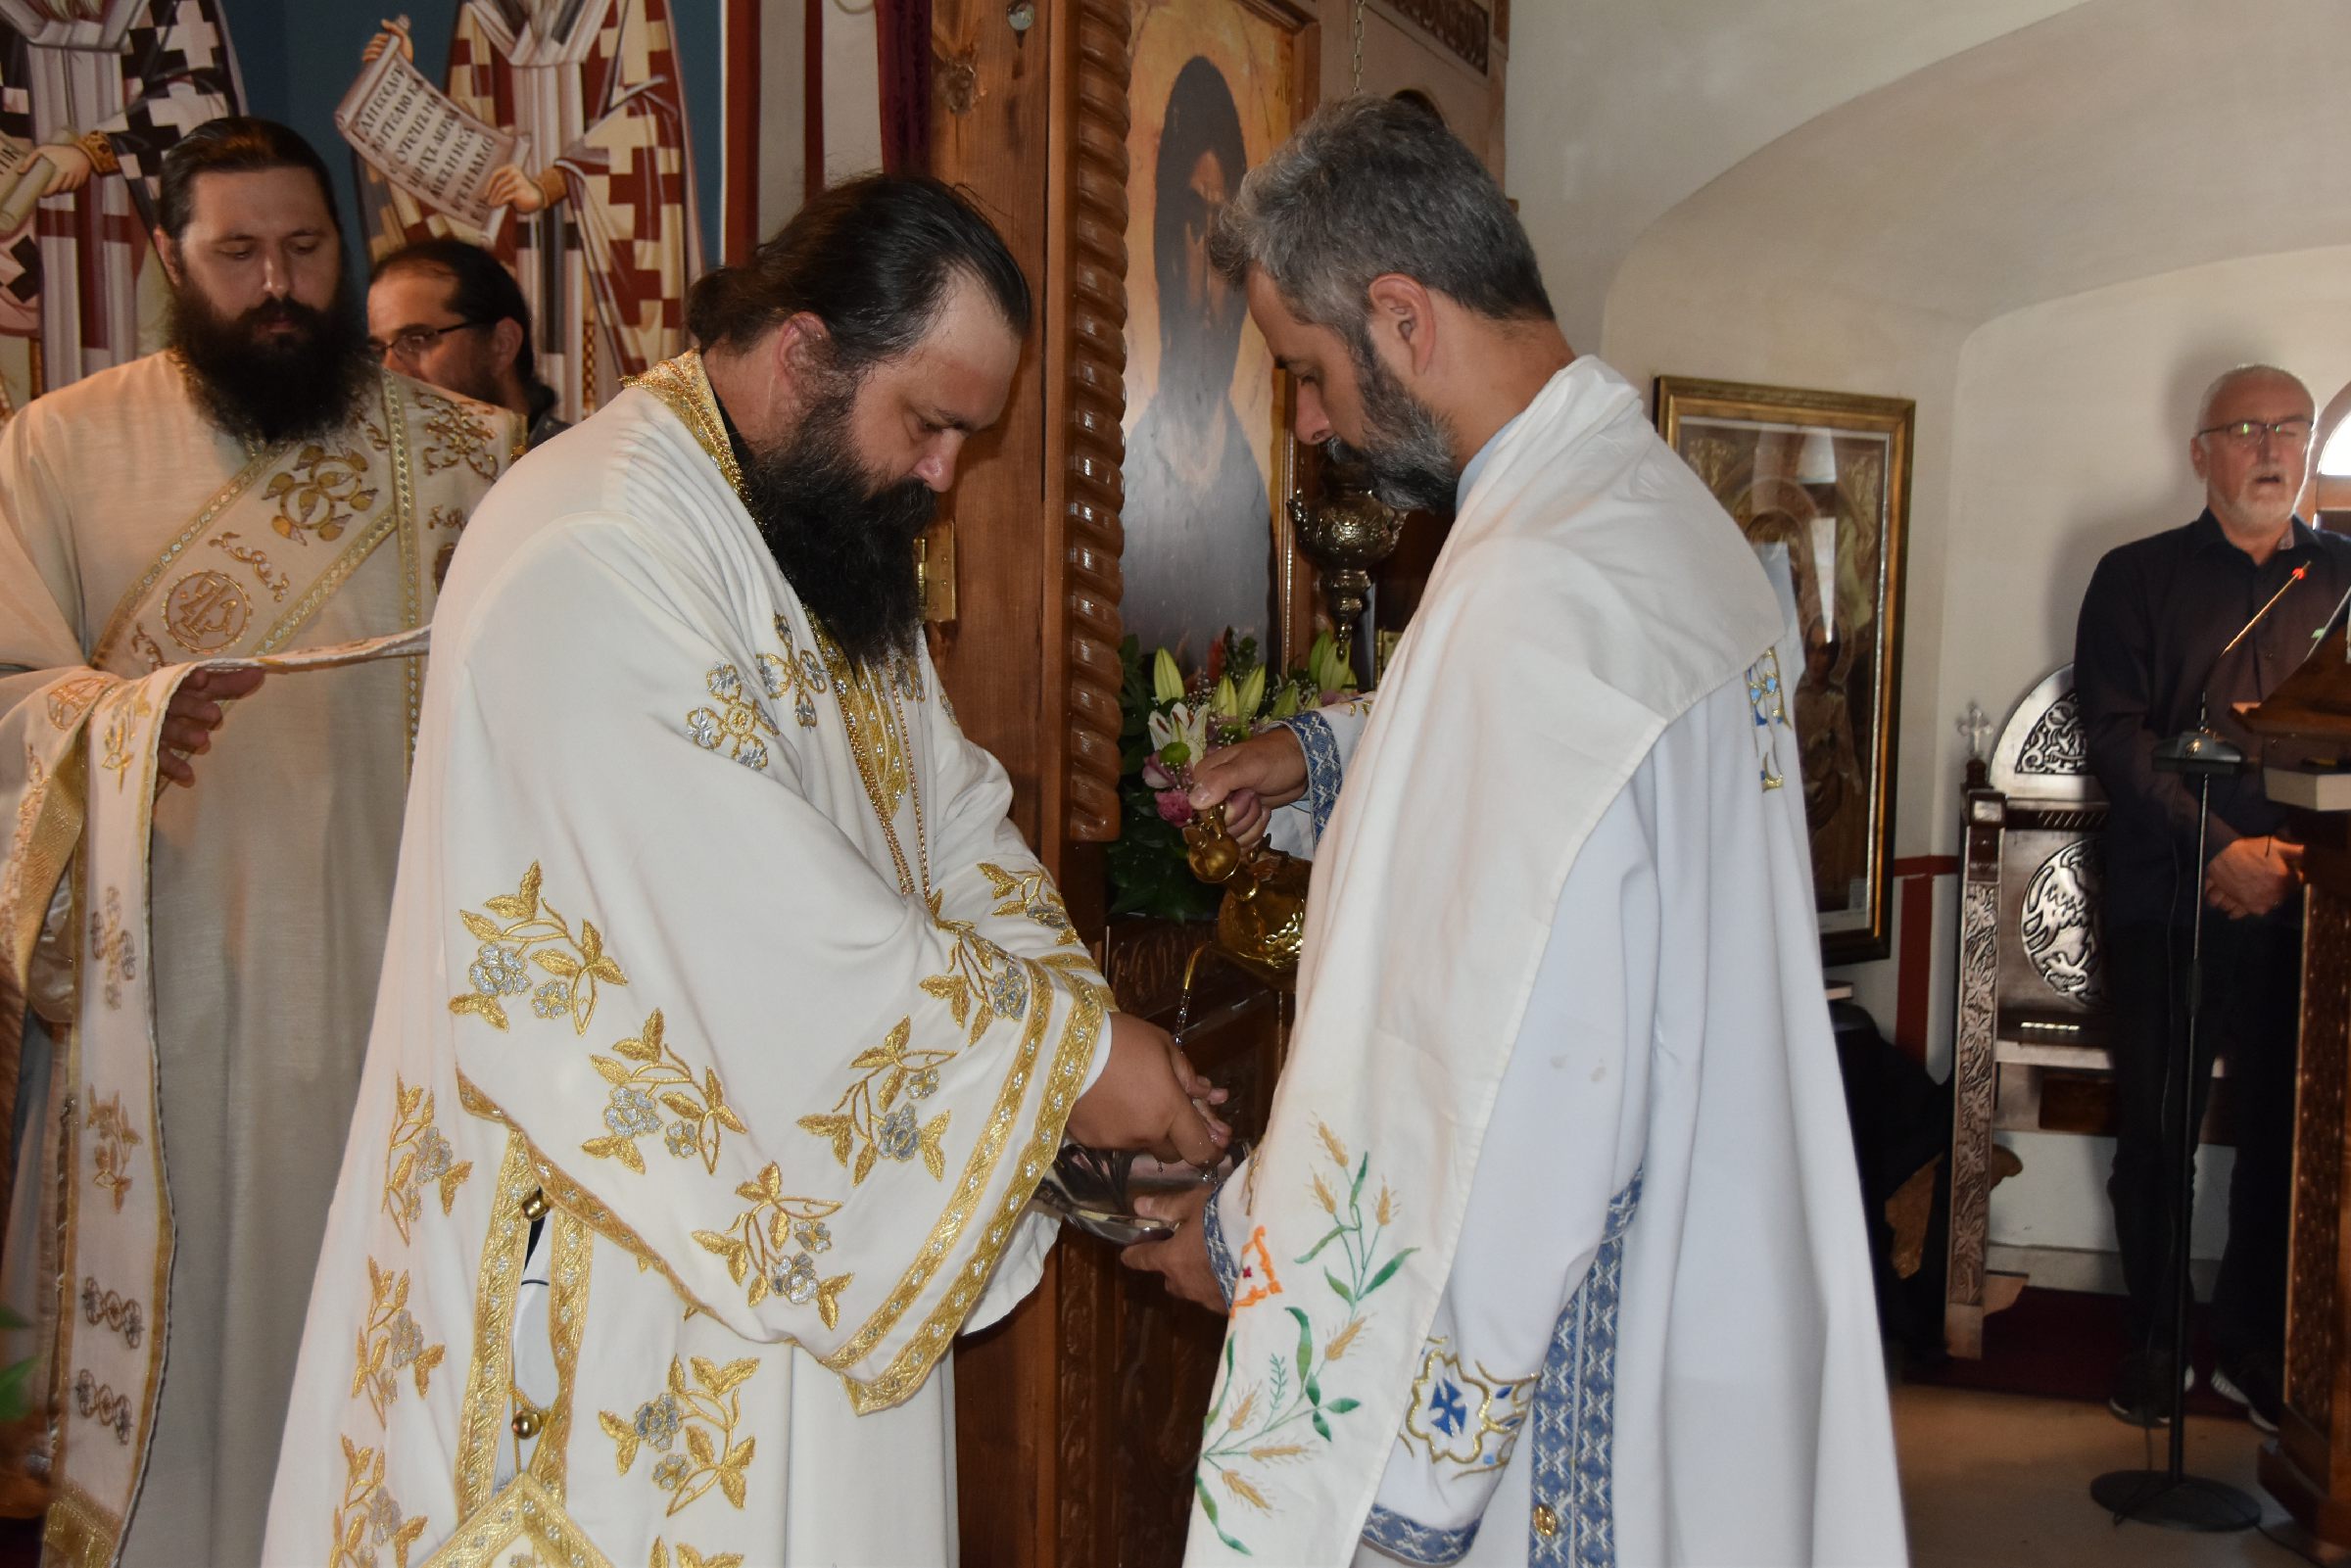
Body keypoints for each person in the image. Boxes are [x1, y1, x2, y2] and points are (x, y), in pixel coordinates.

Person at [262, 173, 1227, 1567]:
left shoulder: (802, 522)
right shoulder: (599, 545)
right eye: (930, 423)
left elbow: (945, 816)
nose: (944, 474)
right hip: (614, 1288)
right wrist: (1064, 1064)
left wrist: (1080, 1044)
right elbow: (749, 926)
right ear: (803, 353)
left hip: (773, 1235)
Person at [1122, 98, 1906, 1566]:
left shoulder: (1531, 595)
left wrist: (1246, 1244)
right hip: (1716, 1258)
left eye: (1309, 374)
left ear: (1403, 317)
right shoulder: (1649, 516)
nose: (1310, 424)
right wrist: (1322, 756)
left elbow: (1485, 1059)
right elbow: (1557, 782)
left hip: (1586, 1345)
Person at [0, 117, 518, 1564]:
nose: (278, 284)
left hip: (395, 997)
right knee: (195, 1389)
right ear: (171, 260)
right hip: (170, 1006)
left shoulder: (461, 456)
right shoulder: (57, 449)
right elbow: (9, 687)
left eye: (304, 247)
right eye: (238, 253)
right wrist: (114, 726)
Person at [2073, 363, 2351, 1431]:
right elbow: (2115, 737)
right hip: (2168, 898)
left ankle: (2251, 1343)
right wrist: (2223, 852)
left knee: (2289, 1136)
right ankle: (2154, 1343)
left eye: (2290, 427)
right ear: (2201, 452)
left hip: (2306, 908)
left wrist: (2286, 857)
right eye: (2246, 430)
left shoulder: (2343, 578)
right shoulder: (2135, 576)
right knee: (2158, 1132)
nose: (2272, 448)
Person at [350, 0, 701, 420]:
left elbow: (650, 114)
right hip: (514, 245)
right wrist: (402, 89)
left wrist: (554, 181)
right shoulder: (483, 10)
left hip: (597, 248)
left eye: (415, 340)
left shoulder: (623, 6)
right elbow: (461, 141)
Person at [0, 0, 241, 409]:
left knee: (148, 382)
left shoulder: (166, 6)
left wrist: (98, 149)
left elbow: (200, 103)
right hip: (22, 237)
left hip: (132, 226)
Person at [1122, 54, 1271, 653]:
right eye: (1192, 224)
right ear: (1162, 251)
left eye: (1226, 233)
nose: (1211, 270)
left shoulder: (1252, 488)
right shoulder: (1128, 473)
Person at [370, 237, 568, 450]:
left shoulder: (577, 463)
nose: (390, 370)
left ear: (502, 344)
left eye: (416, 340)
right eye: (380, 350)